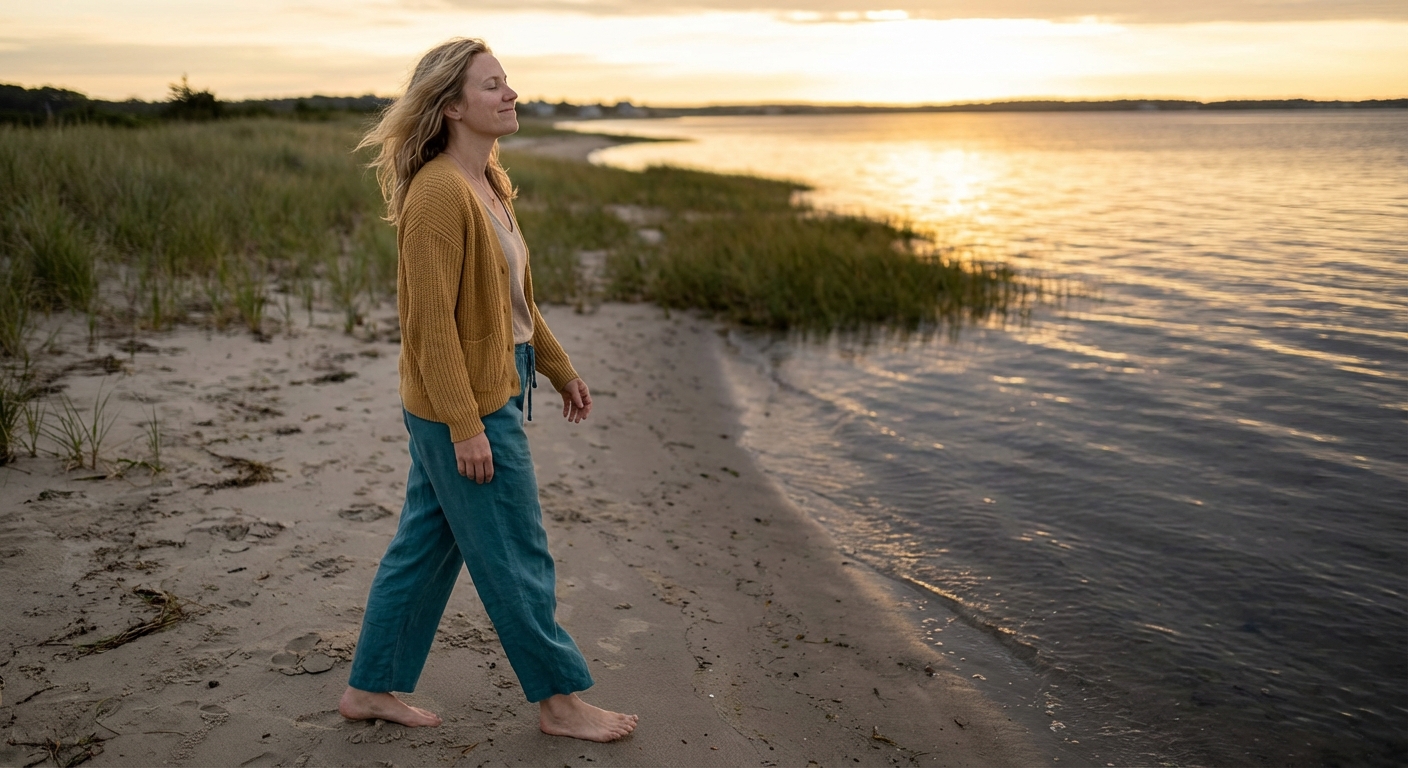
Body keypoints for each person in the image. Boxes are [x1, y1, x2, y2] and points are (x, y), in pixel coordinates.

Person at [336, 37, 638, 743]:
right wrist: (465, 425)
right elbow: (428, 325)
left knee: (424, 547)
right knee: (516, 550)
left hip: (491, 387)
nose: (510, 94)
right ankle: (559, 701)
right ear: (451, 106)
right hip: (464, 404)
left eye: (507, 82)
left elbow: (513, 304)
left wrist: (558, 368)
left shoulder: (489, 182)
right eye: (492, 85)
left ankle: (369, 687)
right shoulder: (438, 193)